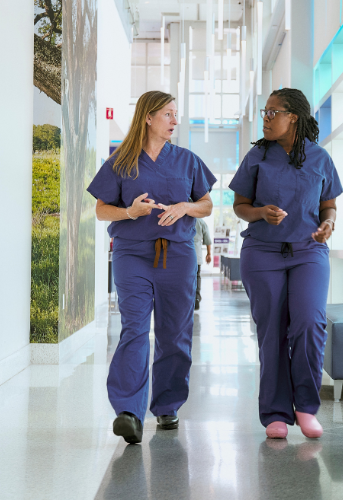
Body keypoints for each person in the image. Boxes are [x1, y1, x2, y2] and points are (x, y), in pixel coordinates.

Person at [87, 91, 217, 444]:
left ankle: (167, 404)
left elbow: (206, 204)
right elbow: (101, 210)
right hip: (133, 254)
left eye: (177, 115)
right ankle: (128, 411)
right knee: (134, 328)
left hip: (177, 255)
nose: (175, 121)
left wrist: (185, 208)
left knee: (175, 333)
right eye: (168, 114)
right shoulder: (120, 162)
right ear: (148, 117)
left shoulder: (187, 160)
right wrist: (131, 212)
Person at [229, 88, 343, 440]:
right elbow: (240, 205)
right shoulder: (257, 157)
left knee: (310, 322)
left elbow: (329, 206)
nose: (266, 117)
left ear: (293, 116)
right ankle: (275, 412)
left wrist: (328, 225)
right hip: (262, 253)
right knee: (272, 332)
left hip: (308, 251)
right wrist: (260, 213)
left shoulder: (320, 158)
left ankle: (306, 407)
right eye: (265, 111)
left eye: (272, 112)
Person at [193, 218, 212, 310]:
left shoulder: (182, 218)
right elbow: (207, 239)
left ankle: (187, 299)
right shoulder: (200, 222)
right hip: (197, 255)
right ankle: (196, 299)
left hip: (183, 254)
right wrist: (209, 254)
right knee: (197, 277)